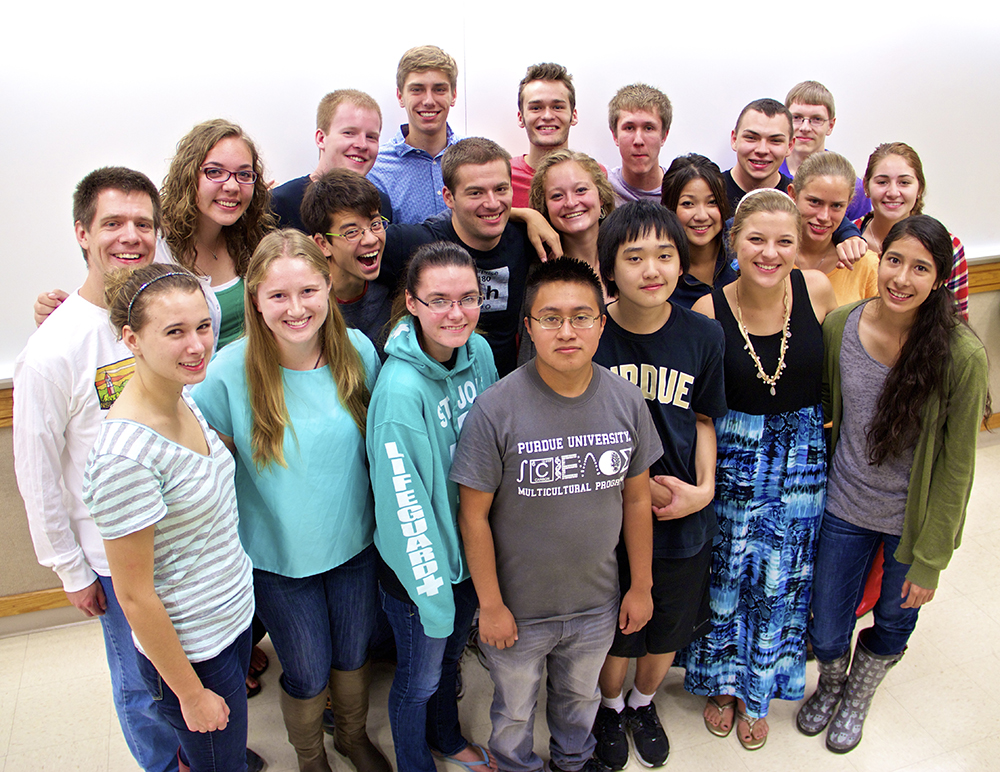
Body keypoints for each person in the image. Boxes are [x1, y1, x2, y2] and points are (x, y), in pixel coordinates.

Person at [452, 258, 661, 772]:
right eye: (551, 318)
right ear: (528, 327)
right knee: (514, 710)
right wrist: (490, 605)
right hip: (517, 610)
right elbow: (473, 517)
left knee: (580, 699)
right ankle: (517, 765)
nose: (567, 331)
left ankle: (573, 760)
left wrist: (641, 586)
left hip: (595, 603)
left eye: (581, 317)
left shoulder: (626, 401)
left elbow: (637, 500)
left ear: (601, 324)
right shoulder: (496, 409)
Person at [192, 230, 390, 772]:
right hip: (278, 558)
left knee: (353, 654)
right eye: (278, 295)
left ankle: (351, 735)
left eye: (307, 291)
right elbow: (207, 471)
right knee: (306, 668)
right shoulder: (227, 372)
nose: (296, 308)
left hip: (354, 543)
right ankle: (310, 756)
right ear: (256, 300)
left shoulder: (358, 353)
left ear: (328, 287)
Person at [798, 215, 990, 753]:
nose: (902, 278)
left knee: (893, 620)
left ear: (940, 279)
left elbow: (957, 467)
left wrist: (931, 558)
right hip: (844, 507)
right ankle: (831, 683)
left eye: (920, 268)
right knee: (827, 626)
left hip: (913, 522)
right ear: (878, 261)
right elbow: (825, 409)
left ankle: (857, 695)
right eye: (894, 261)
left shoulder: (961, 355)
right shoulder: (842, 326)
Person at [14, 167, 182, 772]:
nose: (130, 236)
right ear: (83, 233)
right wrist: (69, 568)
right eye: (113, 223)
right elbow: (36, 472)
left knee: (185, 665)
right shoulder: (53, 350)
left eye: (143, 223)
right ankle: (164, 765)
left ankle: (202, 751)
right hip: (113, 557)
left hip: (179, 538)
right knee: (141, 681)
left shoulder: (160, 320)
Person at [84, 264, 255, 772]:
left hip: (229, 618)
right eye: (175, 332)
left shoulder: (183, 397)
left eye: (202, 326)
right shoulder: (125, 457)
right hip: (193, 650)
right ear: (132, 339)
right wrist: (190, 693)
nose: (197, 345)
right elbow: (134, 596)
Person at [684, 189, 838, 751]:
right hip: (734, 453)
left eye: (783, 241)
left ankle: (759, 691)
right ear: (734, 242)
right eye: (756, 239)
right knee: (728, 574)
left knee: (781, 580)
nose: (769, 253)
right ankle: (722, 685)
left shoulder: (817, 289)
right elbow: (702, 408)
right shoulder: (708, 310)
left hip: (802, 458)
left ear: (798, 245)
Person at [590, 202, 727, 769]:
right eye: (635, 257)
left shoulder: (704, 334)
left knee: (666, 623)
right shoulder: (591, 333)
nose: (652, 269)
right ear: (609, 269)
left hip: (679, 512)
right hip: (606, 518)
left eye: (665, 255)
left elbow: (704, 419)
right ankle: (608, 706)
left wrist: (705, 489)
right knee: (615, 628)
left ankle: (643, 703)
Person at [368, 241, 499, 772]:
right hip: (420, 570)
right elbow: (404, 509)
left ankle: (447, 738)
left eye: (467, 298)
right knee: (418, 680)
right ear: (412, 303)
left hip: (469, 552)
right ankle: (414, 762)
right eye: (439, 300)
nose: (456, 314)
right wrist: (434, 595)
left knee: (447, 665)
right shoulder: (400, 393)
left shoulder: (480, 353)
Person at [379, 137, 561, 377]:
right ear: (448, 197)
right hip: (436, 387)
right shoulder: (418, 243)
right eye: (476, 193)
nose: (492, 203)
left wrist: (528, 215)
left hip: (500, 385)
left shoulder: (527, 239)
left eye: (501, 189)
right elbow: (351, 244)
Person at [855, 142, 969, 319]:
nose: (893, 192)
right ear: (866, 187)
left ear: (919, 189)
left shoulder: (949, 246)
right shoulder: (846, 238)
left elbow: (957, 321)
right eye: (882, 182)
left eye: (904, 182)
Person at [300, 169, 392, 356]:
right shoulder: (305, 308)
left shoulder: (393, 284)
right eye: (352, 232)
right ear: (323, 244)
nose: (371, 239)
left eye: (375, 224)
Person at [271, 89, 391, 232]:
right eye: (349, 133)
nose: (362, 144)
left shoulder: (380, 203)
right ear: (321, 139)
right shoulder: (279, 205)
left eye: (371, 137)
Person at [369, 45, 460, 224]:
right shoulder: (376, 169)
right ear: (400, 96)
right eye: (417, 89)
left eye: (439, 89)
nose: (428, 101)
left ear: (454, 95)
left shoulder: (475, 158)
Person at [789, 152, 880, 306]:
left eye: (836, 206)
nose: (824, 216)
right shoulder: (771, 257)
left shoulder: (866, 265)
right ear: (793, 194)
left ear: (849, 203)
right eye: (814, 202)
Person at [780, 80, 871, 221]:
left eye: (816, 119)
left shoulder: (852, 186)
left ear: (831, 125)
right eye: (797, 118)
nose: (805, 128)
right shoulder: (770, 175)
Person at [510, 63, 592, 207]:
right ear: (520, 117)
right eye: (536, 108)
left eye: (557, 107)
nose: (547, 116)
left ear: (573, 115)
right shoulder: (505, 178)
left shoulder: (594, 175)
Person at [660, 154, 735, 309]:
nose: (701, 216)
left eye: (712, 202)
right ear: (669, 208)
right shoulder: (659, 270)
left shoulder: (742, 249)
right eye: (688, 204)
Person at [528, 149, 615, 282]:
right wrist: (527, 215)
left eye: (581, 190)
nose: (571, 203)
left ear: (601, 196)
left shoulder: (627, 257)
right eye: (557, 195)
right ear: (544, 206)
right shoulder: (539, 274)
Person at [607, 84, 672, 206]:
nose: (638, 140)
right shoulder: (603, 188)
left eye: (648, 128)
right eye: (629, 128)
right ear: (615, 135)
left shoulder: (680, 191)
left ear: (664, 136)